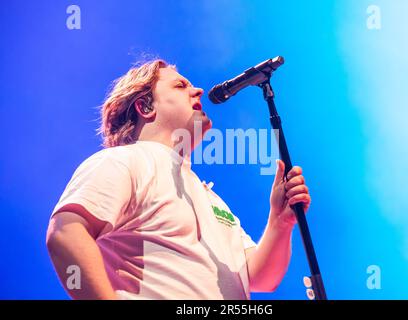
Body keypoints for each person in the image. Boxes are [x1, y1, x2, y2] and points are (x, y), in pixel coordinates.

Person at [46, 59, 312, 300]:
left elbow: (260, 278)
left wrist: (279, 221)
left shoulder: (209, 196)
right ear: (145, 106)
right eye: (180, 85)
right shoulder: (124, 161)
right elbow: (66, 232)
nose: (197, 91)